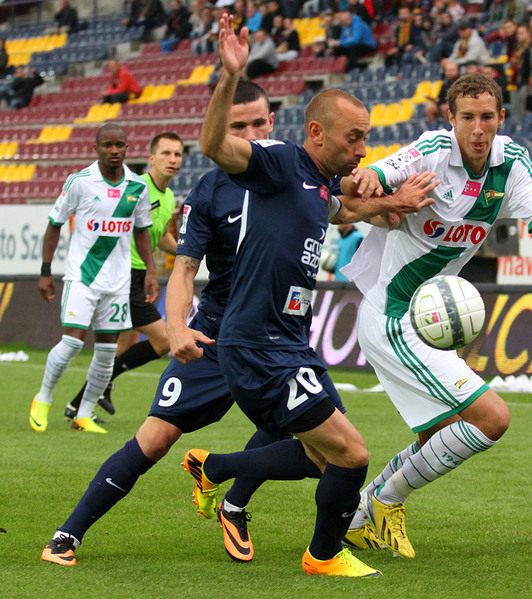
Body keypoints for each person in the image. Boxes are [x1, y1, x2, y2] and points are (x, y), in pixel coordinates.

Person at [180, 15, 436, 577]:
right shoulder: (275, 164)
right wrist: (230, 76)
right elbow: (210, 143)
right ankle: (323, 556)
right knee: (352, 455)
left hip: (290, 343)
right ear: (317, 133)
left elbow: (339, 209)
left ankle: (214, 467)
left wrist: (396, 207)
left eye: (366, 137)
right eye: (355, 137)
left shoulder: (316, 184)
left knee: (323, 457)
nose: (363, 149)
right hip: (258, 346)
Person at [41, 81, 293, 566]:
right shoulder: (209, 191)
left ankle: (232, 500)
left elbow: (346, 198)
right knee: (154, 438)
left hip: (280, 339)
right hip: (216, 333)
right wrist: (176, 323)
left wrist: (384, 196)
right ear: (222, 131)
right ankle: (69, 534)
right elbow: (184, 266)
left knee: (307, 432)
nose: (251, 134)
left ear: (273, 123)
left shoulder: (300, 174)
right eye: (237, 126)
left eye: (258, 123)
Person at [338, 73, 532, 558]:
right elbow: (381, 174)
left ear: (501, 118)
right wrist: (374, 183)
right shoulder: (432, 151)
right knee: (492, 418)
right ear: (452, 118)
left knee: (438, 433)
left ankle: (358, 518)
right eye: (468, 117)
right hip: (395, 316)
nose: (478, 128)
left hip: (425, 321)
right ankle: (386, 499)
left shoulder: (510, 163)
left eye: (487, 117)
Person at [29, 123, 157, 435]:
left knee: (106, 351)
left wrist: (151, 272)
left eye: (120, 145)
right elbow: (54, 224)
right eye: (108, 145)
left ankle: (83, 414)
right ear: (96, 148)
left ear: (127, 147)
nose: (114, 151)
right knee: (72, 342)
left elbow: (142, 231)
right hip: (82, 276)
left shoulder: (137, 187)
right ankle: (43, 397)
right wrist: (46, 271)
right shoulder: (80, 182)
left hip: (118, 282)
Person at [65, 132, 185, 422]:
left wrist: (188, 248)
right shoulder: (135, 187)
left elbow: (159, 237)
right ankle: (96, 391)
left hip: (139, 276)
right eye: (166, 153)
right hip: (123, 276)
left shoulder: (168, 197)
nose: (172, 160)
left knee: (122, 348)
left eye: (178, 154)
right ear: (151, 158)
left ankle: (78, 405)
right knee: (164, 341)